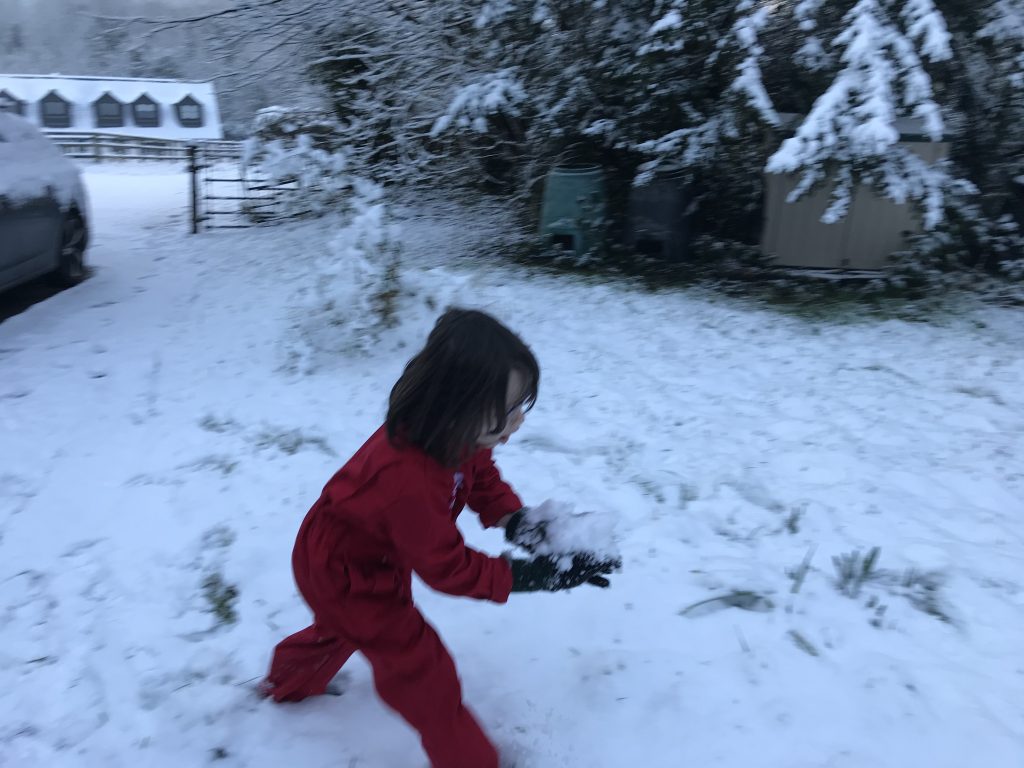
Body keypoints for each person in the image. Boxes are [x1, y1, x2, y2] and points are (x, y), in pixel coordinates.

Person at [262, 308, 617, 768]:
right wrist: (529, 576)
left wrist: (517, 522)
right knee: (422, 674)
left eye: (521, 407)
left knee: (339, 629)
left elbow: (481, 477)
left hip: (350, 559)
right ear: (457, 405)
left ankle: (286, 683)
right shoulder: (406, 479)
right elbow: (447, 568)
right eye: (508, 411)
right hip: (347, 573)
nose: (518, 423)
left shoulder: (450, 437)